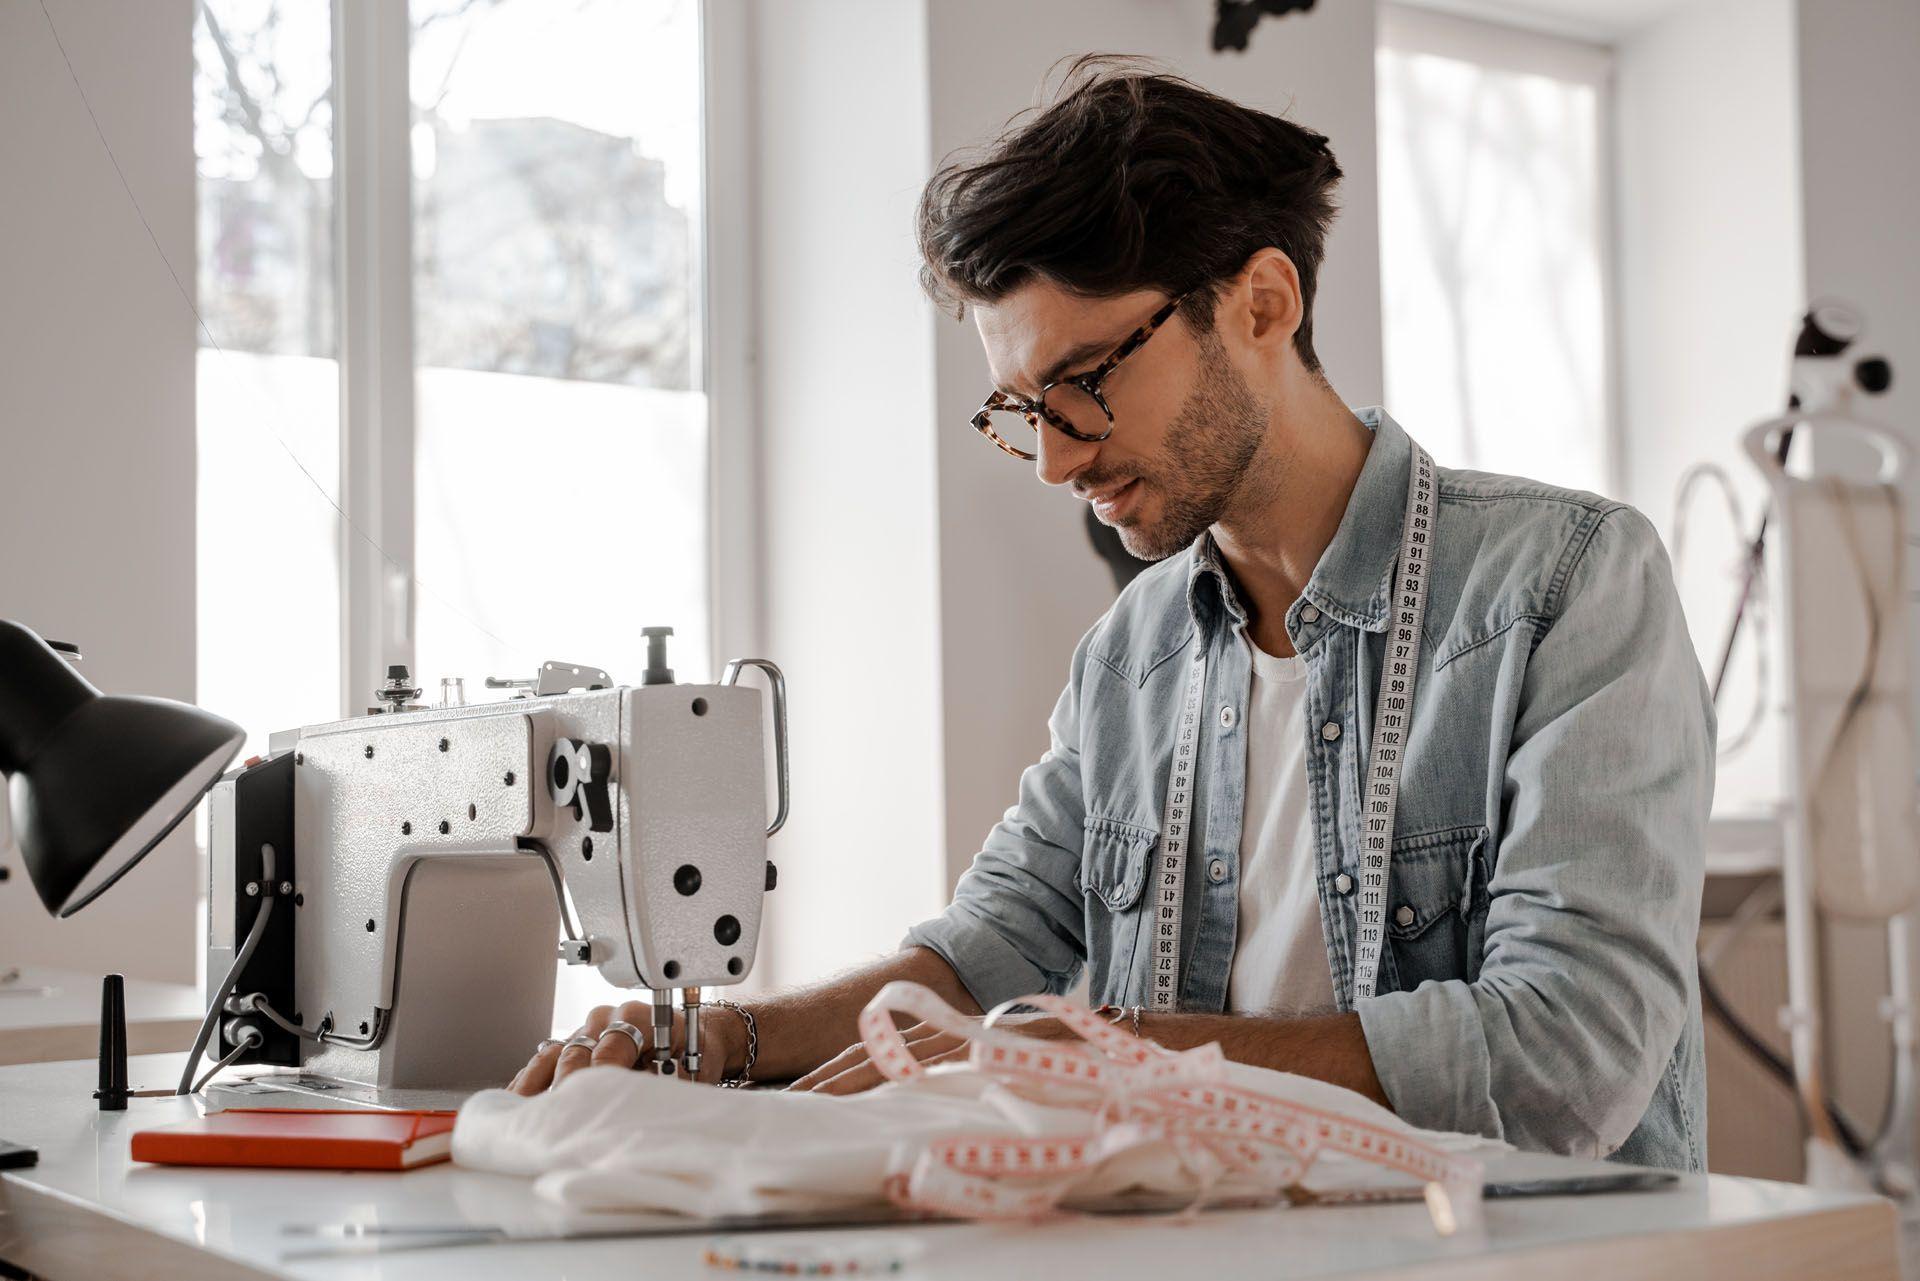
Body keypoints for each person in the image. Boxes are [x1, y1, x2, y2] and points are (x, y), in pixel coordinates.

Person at [510, 59, 1713, 1171]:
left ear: (1261, 303)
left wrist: (1109, 1057)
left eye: (1083, 384)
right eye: (1023, 409)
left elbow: (1567, 1061)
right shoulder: (1131, 658)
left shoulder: (1568, 586)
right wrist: (711, 1041)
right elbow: (981, 960)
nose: (1052, 462)